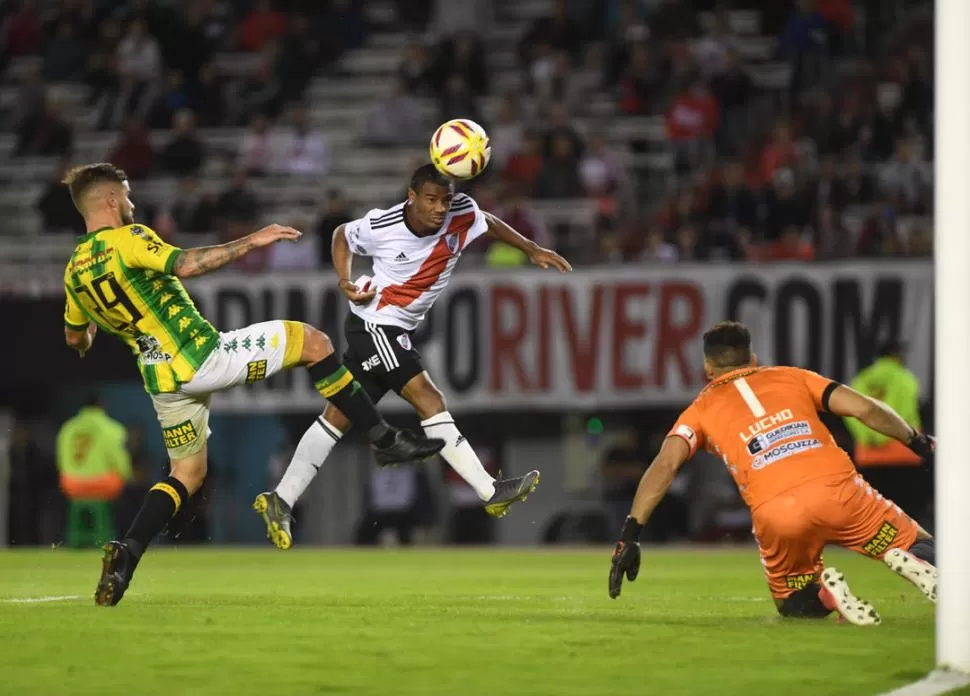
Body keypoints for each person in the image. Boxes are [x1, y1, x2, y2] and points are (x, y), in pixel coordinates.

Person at [61, 163, 444, 606]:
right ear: (109, 200)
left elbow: (76, 337)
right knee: (314, 341)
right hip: (202, 356)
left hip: (162, 382)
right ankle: (384, 436)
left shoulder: (74, 270)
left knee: (187, 474)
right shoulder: (129, 238)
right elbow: (185, 263)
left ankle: (127, 553)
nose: (130, 203)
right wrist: (251, 240)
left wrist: (96, 330)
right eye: (125, 196)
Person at [255, 164, 573, 549]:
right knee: (429, 398)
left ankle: (281, 499)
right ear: (412, 197)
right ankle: (489, 491)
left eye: (445, 200)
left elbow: (486, 220)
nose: (440, 208)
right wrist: (344, 280)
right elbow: (341, 235)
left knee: (336, 417)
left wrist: (532, 248)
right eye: (431, 200)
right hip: (376, 325)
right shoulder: (384, 225)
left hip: (389, 329)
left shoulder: (461, 212)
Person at [608, 321, 937, 626]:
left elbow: (665, 465)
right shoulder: (793, 377)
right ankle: (912, 560)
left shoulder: (699, 410)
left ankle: (827, 593)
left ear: (707, 368)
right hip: (838, 490)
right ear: (752, 358)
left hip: (777, 511)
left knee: (792, 602)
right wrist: (918, 442)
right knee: (919, 544)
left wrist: (630, 535)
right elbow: (865, 408)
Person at [845, 339, 930, 524]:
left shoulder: (862, 378)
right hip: (902, 453)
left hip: (869, 455)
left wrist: (870, 436)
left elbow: (850, 413)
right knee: (907, 512)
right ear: (895, 355)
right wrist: (886, 435)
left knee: (876, 512)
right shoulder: (904, 377)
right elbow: (905, 412)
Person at [56, 395, 132, 548]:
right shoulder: (112, 427)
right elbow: (118, 459)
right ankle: (107, 537)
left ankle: (76, 540)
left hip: (71, 484)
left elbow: (61, 459)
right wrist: (128, 475)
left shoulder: (67, 427)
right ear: (102, 405)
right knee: (121, 482)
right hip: (102, 483)